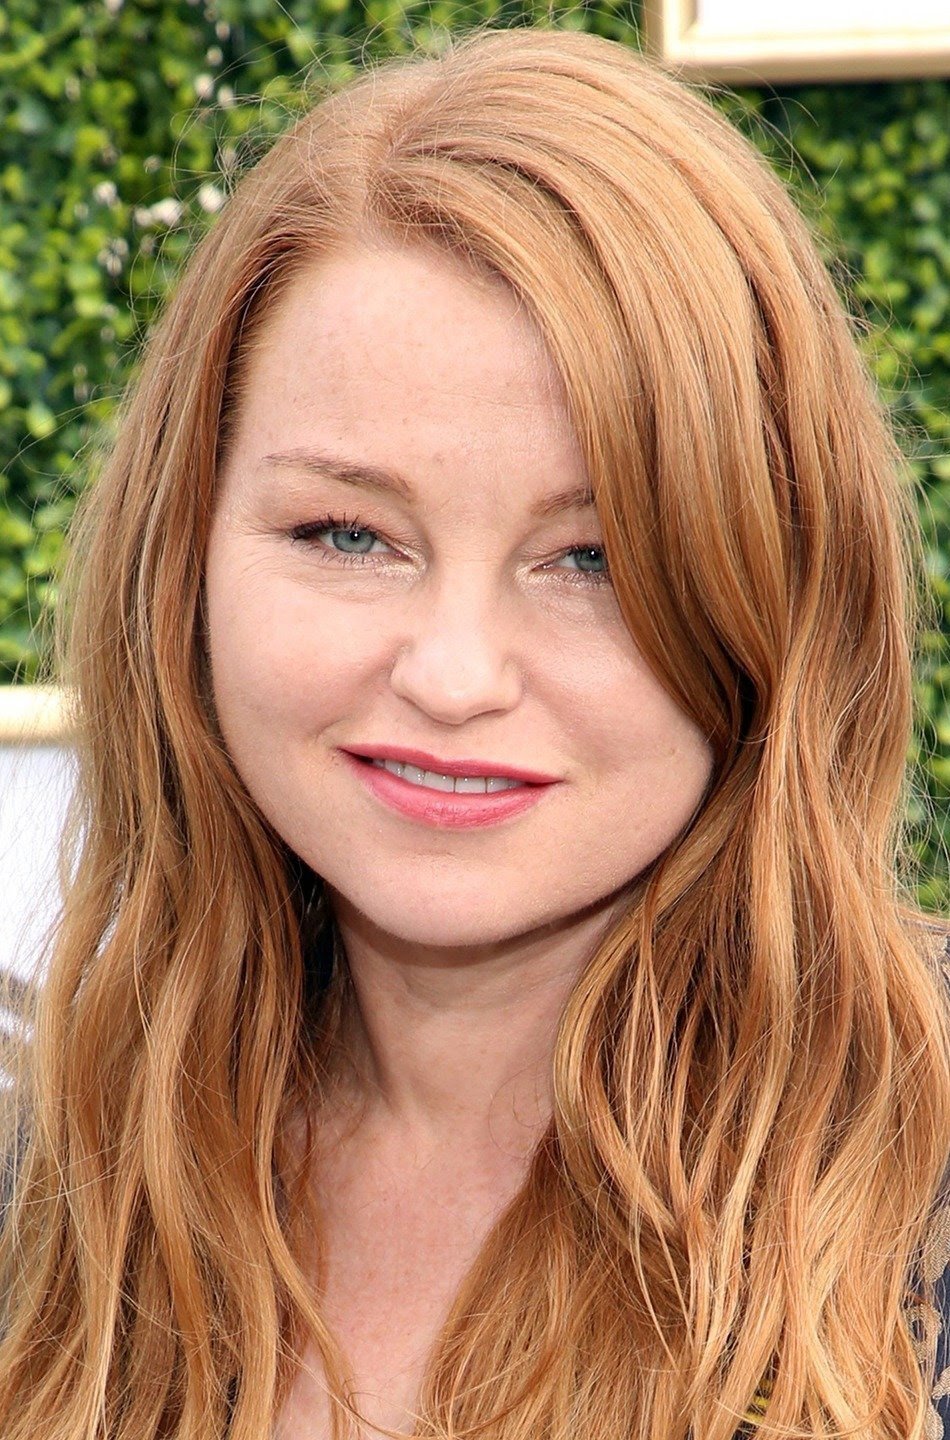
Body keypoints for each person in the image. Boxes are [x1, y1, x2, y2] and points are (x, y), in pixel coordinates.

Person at [1, 21, 949, 1440]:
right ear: (180, 553)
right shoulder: (55, 1170)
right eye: (347, 533)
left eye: (594, 560)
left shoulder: (918, 1169)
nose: (452, 676)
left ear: (782, 586)